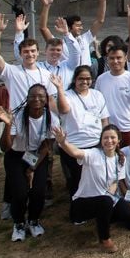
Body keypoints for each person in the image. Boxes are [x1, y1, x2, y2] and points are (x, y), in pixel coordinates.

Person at [0, 85, 60, 242]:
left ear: (46, 99)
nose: (37, 99)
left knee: (38, 191)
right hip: (16, 156)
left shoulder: (51, 118)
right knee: (20, 192)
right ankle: (19, 223)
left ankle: (34, 220)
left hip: (36, 156)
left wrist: (33, 168)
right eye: (33, 96)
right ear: (27, 99)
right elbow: (5, 147)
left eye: (41, 96)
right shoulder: (17, 116)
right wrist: (8, 125)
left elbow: (47, 145)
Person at [54, 123, 130, 253]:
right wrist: (63, 142)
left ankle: (103, 219)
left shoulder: (120, 158)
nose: (109, 141)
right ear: (101, 141)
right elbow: (75, 152)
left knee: (127, 213)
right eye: (105, 138)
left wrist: (118, 198)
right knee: (105, 202)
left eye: (113, 137)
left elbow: (115, 182)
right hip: (83, 202)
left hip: (105, 199)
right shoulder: (93, 154)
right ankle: (105, 239)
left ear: (119, 140)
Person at [55, 66, 109, 196]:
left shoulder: (97, 95)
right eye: (81, 79)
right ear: (75, 79)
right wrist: (59, 89)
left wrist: (106, 139)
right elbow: (64, 109)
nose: (85, 82)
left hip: (95, 144)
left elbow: (104, 119)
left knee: (95, 178)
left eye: (88, 79)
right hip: (73, 145)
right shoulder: (67, 95)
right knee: (76, 180)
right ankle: (77, 211)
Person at [37, 0, 110, 70]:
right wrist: (46, 6)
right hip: (69, 78)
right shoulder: (59, 44)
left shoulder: (85, 39)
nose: (81, 28)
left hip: (87, 78)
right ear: (68, 27)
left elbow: (100, 21)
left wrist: (103, 0)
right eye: (78, 26)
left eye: (81, 25)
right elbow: (43, 28)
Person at [94, 44, 130, 146]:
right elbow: (97, 103)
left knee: (128, 159)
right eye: (112, 58)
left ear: (125, 59)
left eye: (119, 58)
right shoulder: (101, 79)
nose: (115, 61)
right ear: (107, 59)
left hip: (128, 128)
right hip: (109, 129)